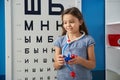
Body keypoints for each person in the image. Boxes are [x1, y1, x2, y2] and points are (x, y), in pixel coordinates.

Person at [53, 7, 96, 80]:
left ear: (80, 22)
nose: (68, 25)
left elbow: (92, 65)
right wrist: (59, 62)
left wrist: (80, 60)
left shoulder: (88, 40)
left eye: (71, 22)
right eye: (65, 22)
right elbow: (55, 66)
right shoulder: (59, 40)